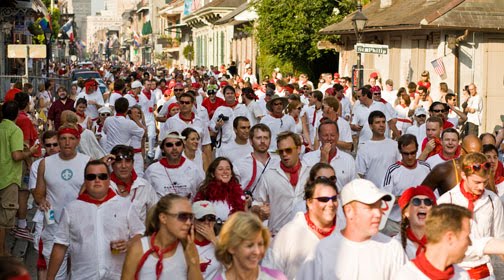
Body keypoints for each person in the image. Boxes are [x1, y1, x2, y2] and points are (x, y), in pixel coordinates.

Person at [46, 160, 145, 280]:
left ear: (109, 180)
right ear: (85, 181)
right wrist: (49, 278)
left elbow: (141, 234)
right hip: (83, 277)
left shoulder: (125, 205)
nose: (97, 180)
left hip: (118, 276)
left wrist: (129, 243)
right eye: (91, 177)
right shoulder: (71, 209)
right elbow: (60, 246)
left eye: (102, 176)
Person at [297, 179, 407, 280]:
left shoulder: (392, 249)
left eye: (379, 206)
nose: (378, 213)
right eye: (370, 207)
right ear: (349, 211)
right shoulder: (323, 250)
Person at [33, 123, 90, 278]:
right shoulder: (45, 163)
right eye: (63, 138)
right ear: (58, 140)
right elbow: (38, 193)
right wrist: (41, 201)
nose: (67, 142)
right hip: (53, 227)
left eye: (71, 138)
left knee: (81, 275)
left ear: (78, 140)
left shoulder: (87, 162)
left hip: (80, 228)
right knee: (57, 275)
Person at [437, 152, 504, 278]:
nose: (481, 187)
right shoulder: (446, 201)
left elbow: (500, 239)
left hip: (485, 273)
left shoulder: (493, 200)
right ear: (463, 175)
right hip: (455, 272)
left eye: (484, 182)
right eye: (476, 182)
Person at [263, 177, 342, 279]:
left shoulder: (343, 231)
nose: (331, 204)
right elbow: (269, 274)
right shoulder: (290, 233)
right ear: (309, 202)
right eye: (324, 199)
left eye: (334, 198)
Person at [121, 194, 203, 280]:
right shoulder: (139, 248)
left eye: (191, 217)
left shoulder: (188, 248)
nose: (188, 223)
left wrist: (194, 262)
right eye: (183, 216)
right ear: (163, 218)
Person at [253, 131, 312, 235]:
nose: (284, 154)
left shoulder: (310, 173)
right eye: (281, 151)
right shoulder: (269, 176)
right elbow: (256, 202)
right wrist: (259, 210)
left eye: (288, 150)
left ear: (298, 149)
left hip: (305, 235)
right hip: (277, 235)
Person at [0, 101, 39, 256]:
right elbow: (17, 155)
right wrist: (30, 152)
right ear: (17, 114)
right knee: (4, 219)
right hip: (9, 178)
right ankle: (2, 252)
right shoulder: (14, 130)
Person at [393, 204, 472, 279]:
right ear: (450, 238)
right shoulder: (408, 276)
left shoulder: (462, 275)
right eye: (466, 236)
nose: (470, 242)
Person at [382, 134, 431, 236]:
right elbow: (385, 199)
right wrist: (405, 198)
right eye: (406, 154)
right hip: (395, 224)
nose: (410, 157)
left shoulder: (426, 168)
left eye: (413, 153)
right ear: (400, 152)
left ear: (417, 150)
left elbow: (433, 195)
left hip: (420, 223)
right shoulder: (392, 170)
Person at [214, 212, 287, 280]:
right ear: (231, 247)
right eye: (249, 245)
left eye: (260, 244)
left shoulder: (276, 278)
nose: (257, 252)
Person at [145, 132, 204, 199]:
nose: (174, 148)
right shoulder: (151, 170)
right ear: (162, 149)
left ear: (183, 147)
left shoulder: (193, 168)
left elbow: (203, 192)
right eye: (169, 145)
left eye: (178, 144)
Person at [109, 145, 158, 222]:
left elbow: (155, 214)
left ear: (133, 164)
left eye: (128, 161)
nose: (124, 166)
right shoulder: (104, 186)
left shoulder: (144, 186)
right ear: (112, 164)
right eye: (119, 162)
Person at [304, 120, 357, 191]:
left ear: (338, 136)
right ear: (319, 137)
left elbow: (354, 187)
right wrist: (323, 160)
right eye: (325, 135)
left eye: (332, 135)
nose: (329, 138)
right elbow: (307, 186)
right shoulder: (307, 159)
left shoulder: (348, 159)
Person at [357, 111, 401, 188]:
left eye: (383, 122)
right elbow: (359, 175)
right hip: (372, 194)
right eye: (377, 122)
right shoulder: (363, 148)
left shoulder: (395, 145)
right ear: (371, 126)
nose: (381, 125)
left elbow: (401, 168)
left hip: (392, 193)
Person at [193, 157, 246, 222]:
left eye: (228, 169)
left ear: (231, 173)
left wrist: (245, 205)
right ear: (213, 174)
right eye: (220, 169)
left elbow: (243, 219)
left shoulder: (238, 193)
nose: (225, 172)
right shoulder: (205, 192)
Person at [396, 185, 437, 260]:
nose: (422, 205)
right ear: (405, 213)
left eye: (427, 202)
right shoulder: (395, 244)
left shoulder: (442, 241)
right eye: (416, 202)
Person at [192, 200, 221, 279]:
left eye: (211, 218)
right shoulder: (184, 242)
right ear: (192, 221)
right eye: (201, 218)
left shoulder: (222, 240)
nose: (206, 222)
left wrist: (213, 239)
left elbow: (234, 263)